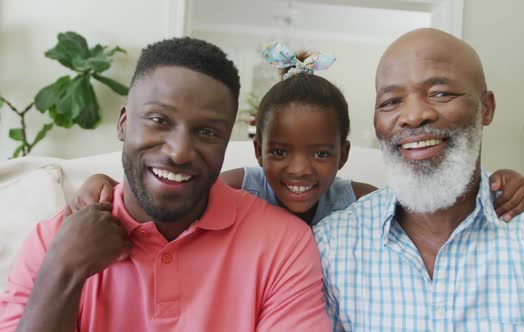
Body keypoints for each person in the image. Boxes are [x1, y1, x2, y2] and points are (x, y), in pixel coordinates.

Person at [0, 37, 331, 331]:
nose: (180, 152)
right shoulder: (53, 243)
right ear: (124, 123)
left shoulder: (284, 245)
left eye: (207, 132)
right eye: (159, 120)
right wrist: (63, 272)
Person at [67, 42, 524, 227]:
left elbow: (432, 199)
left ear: (343, 155)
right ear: (257, 150)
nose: (298, 169)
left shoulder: (358, 200)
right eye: (278, 151)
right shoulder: (239, 186)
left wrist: (503, 182)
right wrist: (106, 187)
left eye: (319, 152)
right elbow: (171, 187)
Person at [313, 28, 524, 331]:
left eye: (440, 93)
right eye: (391, 101)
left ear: (487, 107)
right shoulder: (332, 247)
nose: (414, 115)